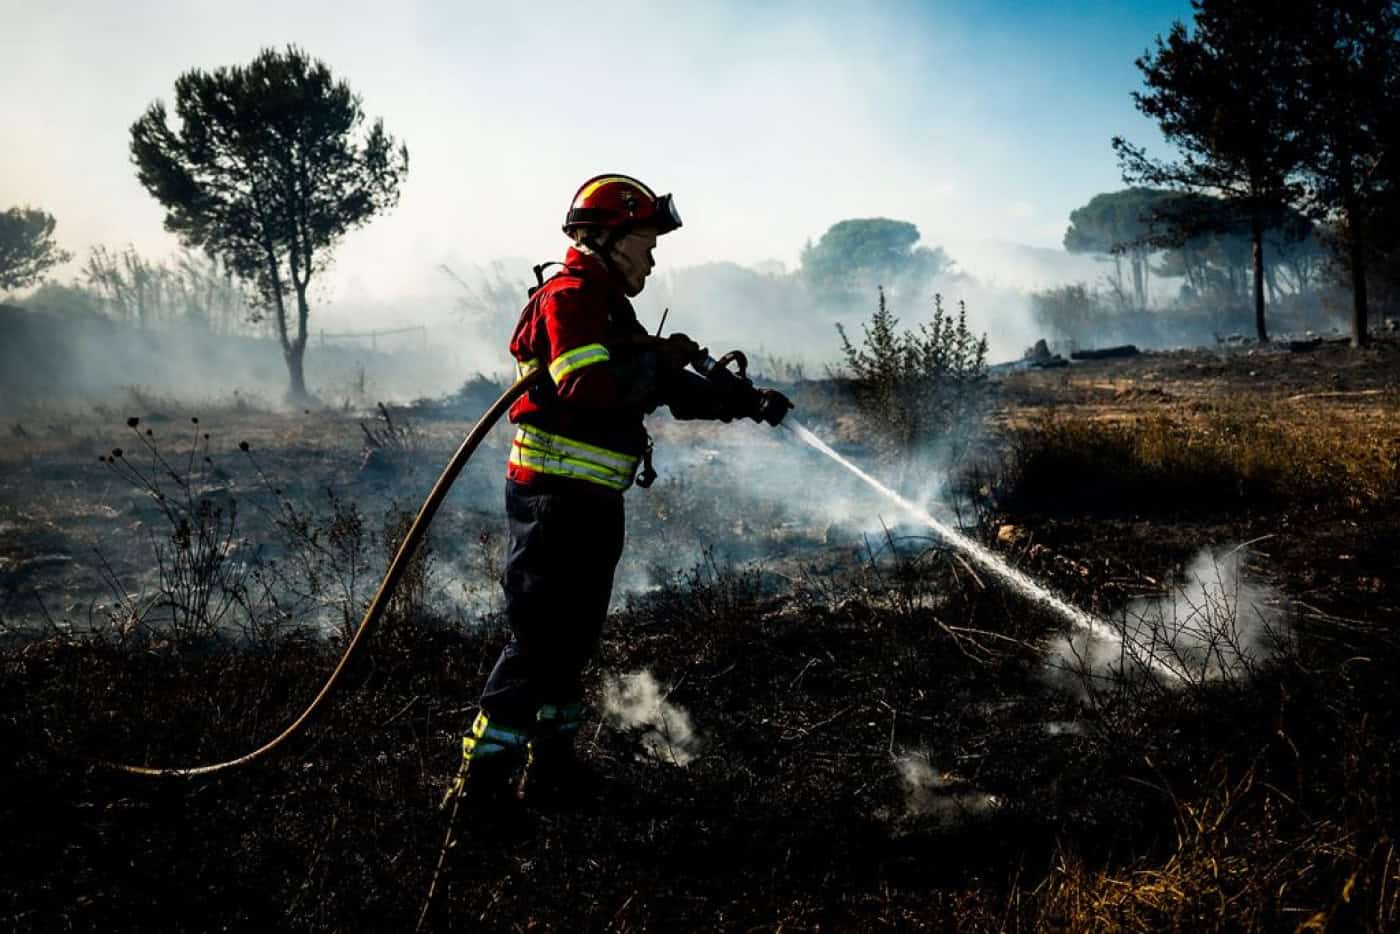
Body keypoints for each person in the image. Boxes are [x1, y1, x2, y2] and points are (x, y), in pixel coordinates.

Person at [447, 174, 791, 807]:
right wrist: (658, 363)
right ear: (604, 237)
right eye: (646, 243)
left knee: (574, 639)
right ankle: (480, 791)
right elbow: (588, 392)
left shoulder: (608, 305)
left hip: (592, 502)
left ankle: (551, 772)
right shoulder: (569, 299)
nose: (653, 258)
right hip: (553, 503)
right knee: (539, 643)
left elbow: (660, 387)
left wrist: (740, 402)